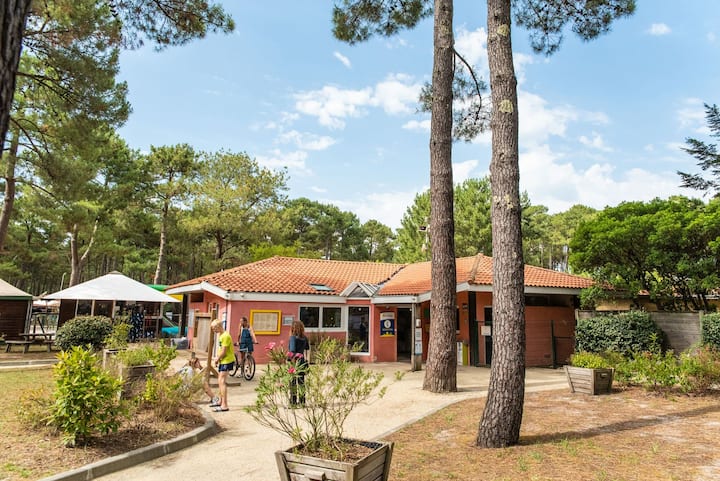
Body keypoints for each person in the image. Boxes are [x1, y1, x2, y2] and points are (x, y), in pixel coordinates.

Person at [210, 319, 234, 412]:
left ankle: (224, 405)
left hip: (227, 361)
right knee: (220, 381)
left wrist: (217, 359)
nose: (214, 331)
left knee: (222, 381)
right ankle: (221, 401)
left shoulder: (225, 336)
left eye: (214, 328)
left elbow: (224, 351)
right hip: (223, 360)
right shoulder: (221, 335)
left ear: (219, 327)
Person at [288, 320, 309, 406]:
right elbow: (307, 349)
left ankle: (293, 401)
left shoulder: (293, 338)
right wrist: (307, 361)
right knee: (301, 382)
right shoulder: (305, 338)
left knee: (293, 382)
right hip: (302, 361)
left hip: (294, 362)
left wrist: (291, 361)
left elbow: (292, 350)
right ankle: (302, 401)